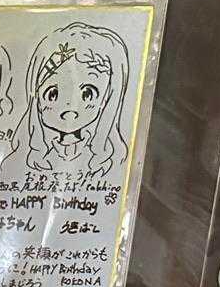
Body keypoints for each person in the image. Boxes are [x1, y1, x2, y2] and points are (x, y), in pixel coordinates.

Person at [10, 23, 131, 184]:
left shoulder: (117, 161)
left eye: (87, 94)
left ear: (108, 98)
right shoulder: (21, 156)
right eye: (52, 94)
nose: (69, 111)